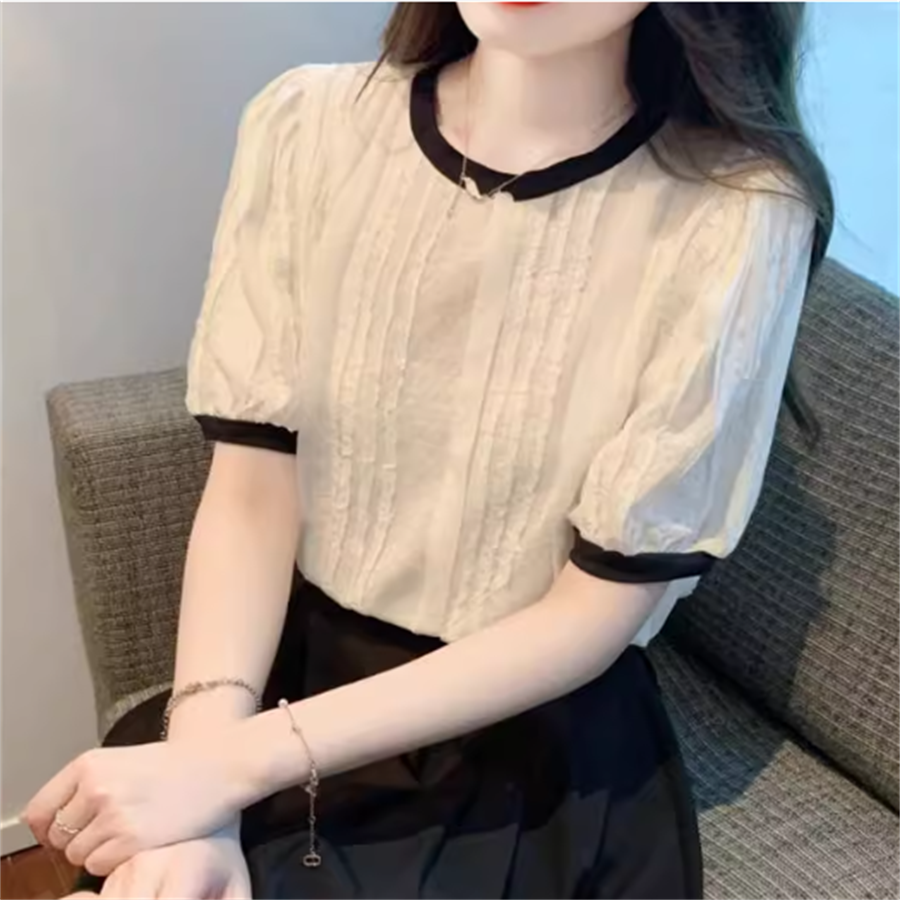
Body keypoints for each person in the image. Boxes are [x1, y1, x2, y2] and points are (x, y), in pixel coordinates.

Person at [27, 3, 833, 899]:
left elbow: (595, 610)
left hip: (526, 735)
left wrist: (228, 770)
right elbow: (253, 493)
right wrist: (201, 785)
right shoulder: (309, 126)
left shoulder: (736, 212)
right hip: (289, 670)